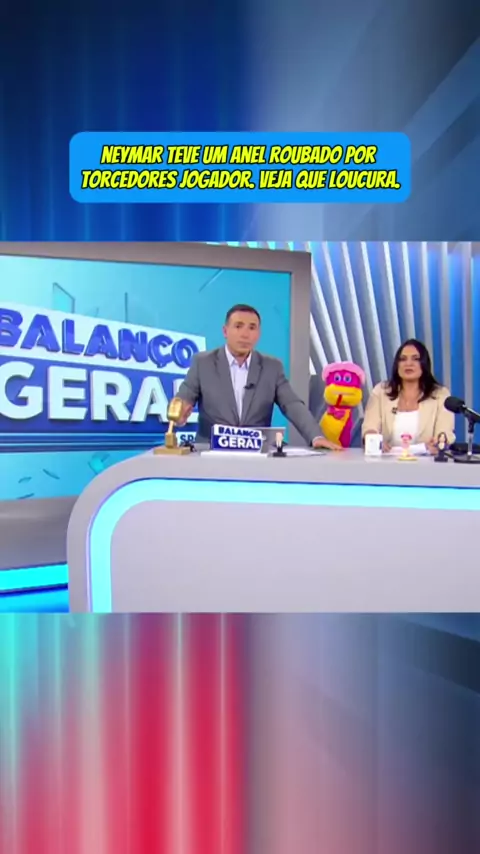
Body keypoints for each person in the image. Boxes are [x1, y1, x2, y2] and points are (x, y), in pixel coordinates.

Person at [175, 303, 341, 449]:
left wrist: (316, 436)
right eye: (238, 326)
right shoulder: (203, 363)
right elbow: (183, 399)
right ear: (225, 331)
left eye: (252, 327)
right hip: (210, 453)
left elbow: (292, 404)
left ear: (259, 333)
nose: (245, 334)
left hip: (256, 455)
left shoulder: (272, 367)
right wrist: (179, 414)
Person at [362, 338, 455, 453]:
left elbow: (444, 433)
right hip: (386, 460)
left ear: (424, 364)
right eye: (403, 359)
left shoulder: (440, 395)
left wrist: (439, 442)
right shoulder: (381, 391)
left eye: (415, 359)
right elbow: (369, 427)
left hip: (427, 461)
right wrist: (373, 439)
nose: (408, 364)